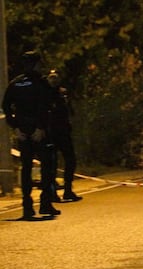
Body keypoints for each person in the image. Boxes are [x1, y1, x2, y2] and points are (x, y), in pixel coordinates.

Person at [1, 51, 61, 219]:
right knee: (47, 167)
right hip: (39, 130)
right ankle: (45, 203)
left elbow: (6, 107)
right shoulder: (40, 83)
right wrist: (40, 128)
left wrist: (16, 127)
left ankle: (27, 206)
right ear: (36, 64)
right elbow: (46, 106)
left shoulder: (16, 83)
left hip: (23, 131)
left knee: (26, 168)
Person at [46, 70, 82, 202]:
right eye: (52, 78)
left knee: (70, 160)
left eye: (56, 78)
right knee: (52, 163)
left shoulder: (63, 94)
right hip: (51, 132)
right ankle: (52, 192)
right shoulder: (45, 95)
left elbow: (70, 112)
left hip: (63, 131)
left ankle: (68, 189)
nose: (54, 80)